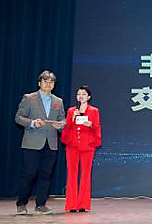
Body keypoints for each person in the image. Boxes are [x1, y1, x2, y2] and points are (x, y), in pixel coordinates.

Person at [15, 70, 66, 215]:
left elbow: (63, 120)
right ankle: (21, 204)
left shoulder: (58, 101)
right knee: (29, 174)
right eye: (45, 81)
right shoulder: (29, 98)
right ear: (39, 83)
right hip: (32, 142)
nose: (48, 84)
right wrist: (32, 123)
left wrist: (61, 125)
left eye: (51, 82)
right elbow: (18, 117)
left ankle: (41, 204)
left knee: (46, 175)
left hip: (51, 143)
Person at [61, 85, 101, 213]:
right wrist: (72, 118)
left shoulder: (94, 111)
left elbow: (97, 127)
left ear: (89, 97)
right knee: (72, 174)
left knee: (85, 174)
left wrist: (91, 125)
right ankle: (72, 204)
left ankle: (83, 204)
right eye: (79, 94)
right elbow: (66, 128)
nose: (81, 96)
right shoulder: (71, 110)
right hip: (72, 145)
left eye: (83, 94)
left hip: (87, 145)